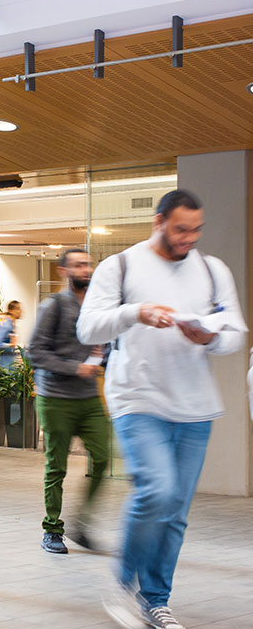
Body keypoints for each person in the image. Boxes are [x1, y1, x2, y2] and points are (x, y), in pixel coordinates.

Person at [77, 190, 246, 629]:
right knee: (157, 489)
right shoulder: (123, 265)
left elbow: (235, 334)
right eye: (180, 229)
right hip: (137, 399)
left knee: (174, 512)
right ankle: (121, 584)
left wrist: (210, 338)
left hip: (195, 406)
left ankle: (156, 600)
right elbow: (87, 326)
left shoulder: (213, 270)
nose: (189, 238)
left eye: (196, 229)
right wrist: (136, 312)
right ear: (158, 222)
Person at [28, 250, 109, 555]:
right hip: (56, 398)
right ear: (63, 270)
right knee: (56, 467)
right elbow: (35, 352)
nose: (85, 269)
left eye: (88, 264)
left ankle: (82, 524)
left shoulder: (95, 306)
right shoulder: (53, 306)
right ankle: (52, 529)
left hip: (88, 396)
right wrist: (75, 367)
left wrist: (105, 356)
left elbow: (106, 343)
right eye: (78, 265)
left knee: (102, 457)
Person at [0, 300, 22, 368]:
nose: (20, 311)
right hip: (3, 366)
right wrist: (10, 345)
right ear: (11, 310)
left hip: (9, 365)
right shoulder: (6, 325)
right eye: (18, 309)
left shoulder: (11, 325)